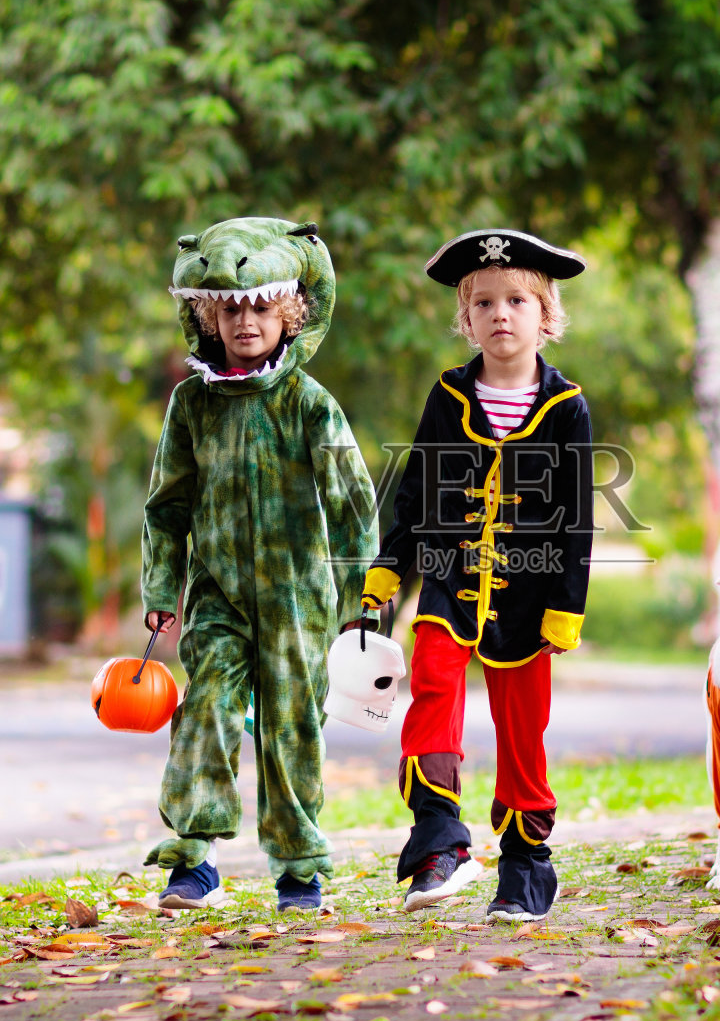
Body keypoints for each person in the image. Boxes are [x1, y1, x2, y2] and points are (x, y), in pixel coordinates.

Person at [141, 217, 376, 911]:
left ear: (290, 313)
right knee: (205, 707)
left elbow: (353, 501)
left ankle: (299, 867)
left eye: (261, 307)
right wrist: (161, 583)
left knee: (291, 723)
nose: (246, 321)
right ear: (207, 315)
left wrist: (364, 591)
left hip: (299, 595)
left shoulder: (308, 404)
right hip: (217, 592)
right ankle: (193, 858)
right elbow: (167, 502)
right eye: (230, 308)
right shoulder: (192, 404)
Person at [361, 229, 594, 922]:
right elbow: (414, 495)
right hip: (446, 577)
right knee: (432, 685)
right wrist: (385, 572)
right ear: (465, 318)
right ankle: (439, 837)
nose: (501, 313)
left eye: (517, 299)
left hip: (531, 591)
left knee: (524, 726)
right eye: (485, 302)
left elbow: (576, 518)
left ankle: (526, 864)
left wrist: (566, 606)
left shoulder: (568, 407)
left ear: (545, 314)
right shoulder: (447, 396)